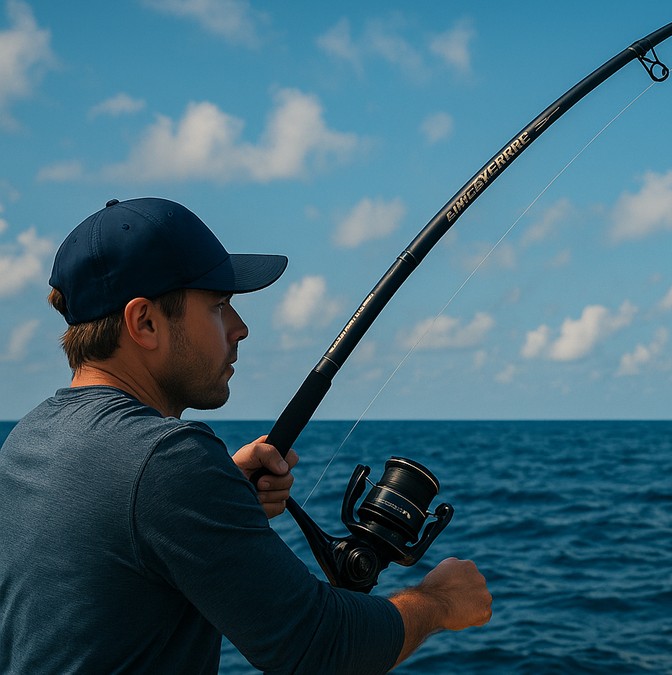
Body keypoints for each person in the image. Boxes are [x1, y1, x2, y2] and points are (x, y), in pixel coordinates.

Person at [0, 198, 491, 673]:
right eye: (219, 306)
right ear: (145, 323)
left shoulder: (27, 441)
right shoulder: (167, 460)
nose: (240, 328)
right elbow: (318, 646)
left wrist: (218, 494)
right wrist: (438, 602)